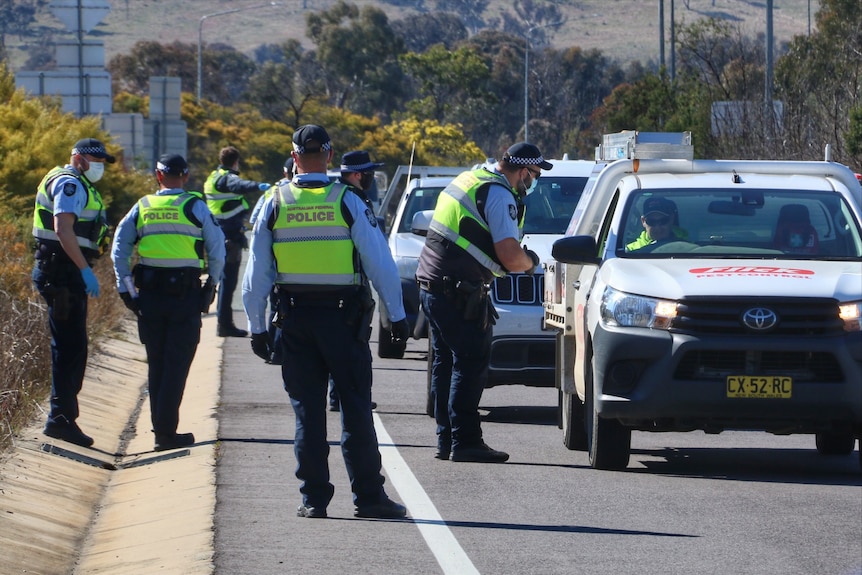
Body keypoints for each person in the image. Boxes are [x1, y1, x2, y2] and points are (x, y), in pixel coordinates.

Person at [242, 124, 409, 519]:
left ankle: (314, 499)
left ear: (294, 157)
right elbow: (380, 263)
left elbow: (256, 277)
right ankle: (368, 498)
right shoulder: (348, 200)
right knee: (354, 408)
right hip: (342, 321)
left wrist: (256, 326)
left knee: (307, 412)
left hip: (294, 321)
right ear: (330, 156)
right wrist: (396, 316)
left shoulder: (274, 202)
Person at [416, 142, 549, 463]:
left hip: (433, 286)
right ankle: (466, 441)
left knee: (446, 361)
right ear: (521, 171)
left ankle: (446, 439)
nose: (532, 182)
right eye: (533, 175)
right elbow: (508, 255)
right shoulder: (501, 195)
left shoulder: (469, 179)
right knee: (471, 361)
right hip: (456, 290)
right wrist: (530, 264)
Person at [111, 154, 225, 451]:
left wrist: (126, 289)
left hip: (149, 298)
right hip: (185, 298)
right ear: (185, 177)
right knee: (177, 365)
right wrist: (211, 284)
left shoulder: (143, 206)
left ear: (158, 177)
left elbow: (119, 248)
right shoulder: (195, 206)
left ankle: (161, 429)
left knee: (158, 364)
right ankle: (165, 432)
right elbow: (217, 249)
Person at [32, 138, 114, 447]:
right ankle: (60, 420)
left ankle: (63, 416)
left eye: (103, 162)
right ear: (78, 158)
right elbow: (62, 229)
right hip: (62, 273)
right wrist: (83, 269)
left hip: (62, 272)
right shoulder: (69, 184)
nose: (100, 167)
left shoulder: (76, 182)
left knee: (72, 345)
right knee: (68, 347)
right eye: (96, 161)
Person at [328, 150, 384, 412]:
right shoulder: (353, 201)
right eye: (370, 173)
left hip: (328, 289)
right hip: (350, 288)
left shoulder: (335, 197)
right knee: (353, 349)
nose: (372, 178)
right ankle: (345, 397)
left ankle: (336, 396)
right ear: (359, 175)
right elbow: (373, 255)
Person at [205, 146, 270, 338]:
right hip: (229, 236)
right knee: (228, 281)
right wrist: (259, 186)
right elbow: (238, 185)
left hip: (221, 233)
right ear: (235, 162)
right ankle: (224, 324)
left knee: (224, 280)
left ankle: (224, 323)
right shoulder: (226, 177)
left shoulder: (213, 177)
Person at [249, 156, 295, 365]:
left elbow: (254, 220)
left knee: (274, 304)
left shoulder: (272, 193)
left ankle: (271, 346)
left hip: (273, 255)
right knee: (283, 305)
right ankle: (278, 349)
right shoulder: (306, 193)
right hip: (292, 260)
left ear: (285, 172)